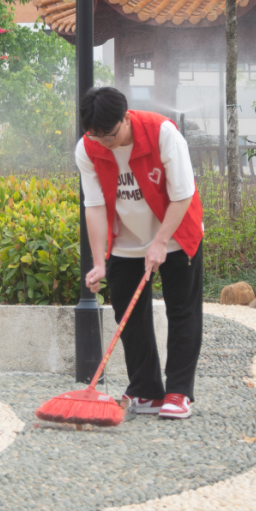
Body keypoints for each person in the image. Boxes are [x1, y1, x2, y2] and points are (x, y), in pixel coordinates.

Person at [76, 86, 205, 420]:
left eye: (110, 133)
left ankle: (178, 392)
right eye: (95, 135)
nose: (104, 141)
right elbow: (94, 207)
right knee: (129, 316)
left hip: (176, 233)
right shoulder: (88, 148)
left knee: (182, 311)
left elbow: (182, 195)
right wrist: (99, 263)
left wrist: (161, 242)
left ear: (125, 116)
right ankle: (146, 390)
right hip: (126, 241)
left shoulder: (163, 133)